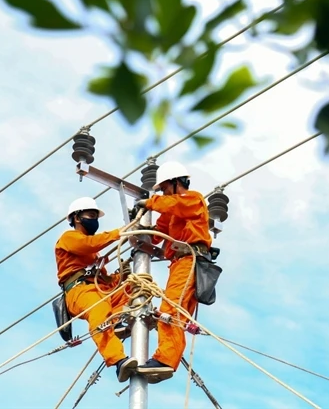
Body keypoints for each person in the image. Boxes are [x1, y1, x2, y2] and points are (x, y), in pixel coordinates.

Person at [133, 161, 212, 382]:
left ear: (177, 183)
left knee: (171, 308)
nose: (164, 193)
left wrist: (150, 202)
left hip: (191, 259)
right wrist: (138, 229)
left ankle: (166, 360)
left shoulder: (193, 200)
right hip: (179, 264)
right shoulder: (171, 209)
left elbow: (174, 205)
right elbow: (157, 232)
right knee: (172, 313)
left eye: (166, 188)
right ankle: (166, 358)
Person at [55, 196, 138, 383]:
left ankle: (116, 324)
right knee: (98, 312)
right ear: (77, 218)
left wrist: (121, 276)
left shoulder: (95, 253)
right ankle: (118, 361)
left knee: (130, 288)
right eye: (91, 215)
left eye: (96, 217)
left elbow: (104, 278)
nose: (94, 220)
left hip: (96, 288)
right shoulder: (69, 238)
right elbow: (88, 244)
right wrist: (119, 233)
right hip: (79, 291)